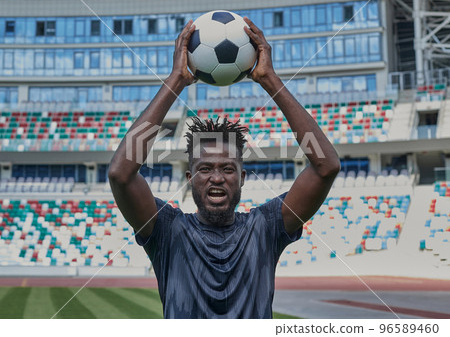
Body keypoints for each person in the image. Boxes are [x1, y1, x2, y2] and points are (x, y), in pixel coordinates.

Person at [108, 17, 341, 318]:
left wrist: (269, 79)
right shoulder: (167, 230)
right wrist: (175, 81)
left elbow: (326, 166)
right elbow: (120, 174)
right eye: (205, 169)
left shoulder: (266, 227)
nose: (216, 177)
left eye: (228, 169)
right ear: (190, 178)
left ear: (242, 177)